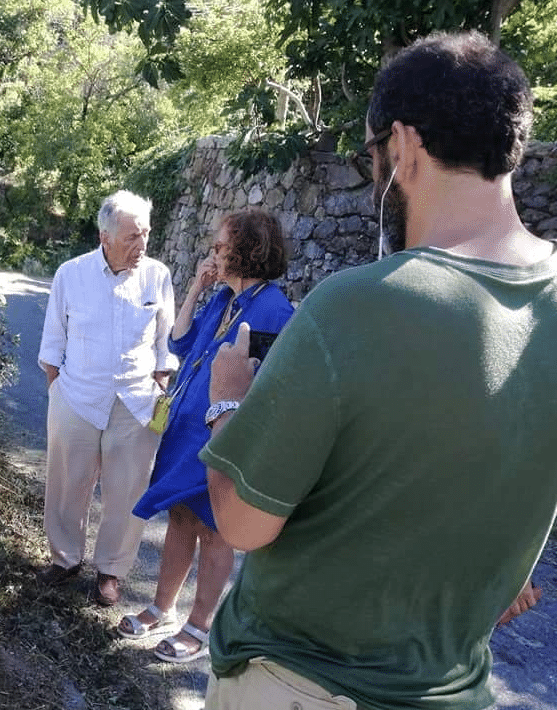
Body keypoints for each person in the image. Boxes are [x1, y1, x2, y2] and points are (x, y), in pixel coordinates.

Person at [199, 31, 557, 710]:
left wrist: (228, 403)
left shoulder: (359, 305)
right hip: (457, 690)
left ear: (404, 146)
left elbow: (243, 525)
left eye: (371, 156)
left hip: (301, 684)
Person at [118, 209, 293, 663]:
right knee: (179, 518)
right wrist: (197, 287)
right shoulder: (223, 300)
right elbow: (178, 343)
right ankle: (163, 607)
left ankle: (199, 627)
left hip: (224, 438)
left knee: (216, 531)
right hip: (183, 432)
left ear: (248, 250)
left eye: (220, 245)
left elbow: (266, 387)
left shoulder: (274, 310)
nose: (213, 251)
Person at [37, 189, 180, 606]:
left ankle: (111, 571)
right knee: (67, 486)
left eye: (146, 234)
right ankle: (65, 560)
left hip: (135, 402)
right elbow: (52, 344)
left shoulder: (158, 275)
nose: (142, 245)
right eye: (133, 236)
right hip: (77, 397)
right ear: (105, 236)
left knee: (127, 491)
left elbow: (163, 342)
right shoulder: (71, 274)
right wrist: (57, 392)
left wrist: (160, 384)